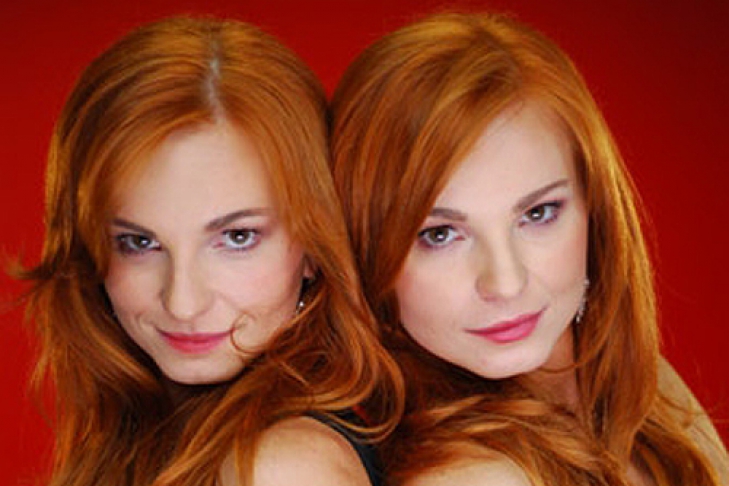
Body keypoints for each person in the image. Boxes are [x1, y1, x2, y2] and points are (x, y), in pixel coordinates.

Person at [330, 12, 728, 486]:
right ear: (368, 251)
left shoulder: (651, 393)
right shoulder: (476, 478)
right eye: (439, 235)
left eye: (538, 213)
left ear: (595, 208)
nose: (505, 282)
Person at [21, 16, 402, 486]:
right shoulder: (148, 433)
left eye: (238, 237)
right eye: (139, 243)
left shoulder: (280, 468)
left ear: (312, 245)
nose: (184, 304)